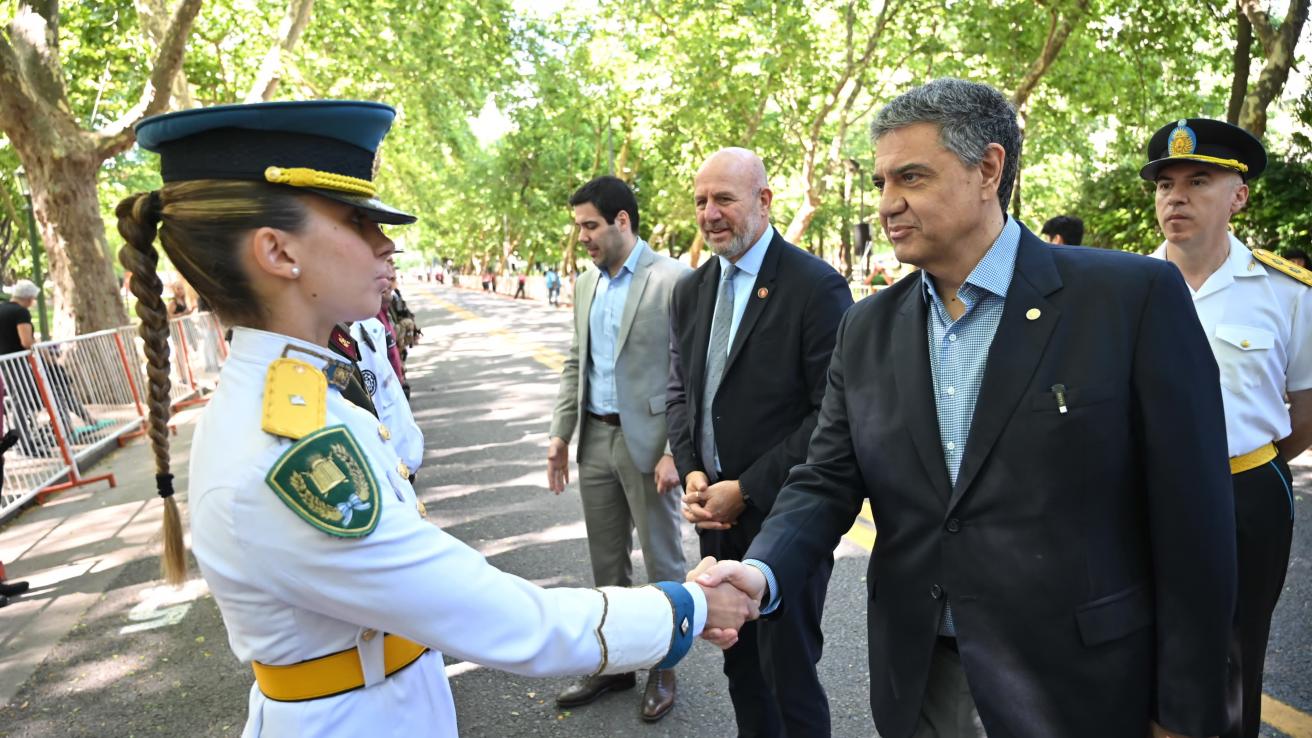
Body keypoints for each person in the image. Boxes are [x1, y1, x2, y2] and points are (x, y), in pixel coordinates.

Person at [120, 99, 755, 737]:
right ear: (278, 252)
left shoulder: (305, 396)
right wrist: (688, 605)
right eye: (356, 221)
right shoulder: (284, 450)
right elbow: (502, 617)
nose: (385, 242)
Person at [695, 79, 1237, 738]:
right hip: (920, 677)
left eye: (912, 178)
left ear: (988, 169)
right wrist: (759, 571)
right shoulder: (866, 329)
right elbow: (825, 478)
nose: (888, 204)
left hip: (1080, 688)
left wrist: (1186, 713)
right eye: (881, 183)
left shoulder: (1131, 298)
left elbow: (1194, 526)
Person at [667, 148, 853, 737]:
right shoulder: (691, 290)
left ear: (765, 201)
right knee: (741, 665)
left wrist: (745, 488)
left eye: (724, 198)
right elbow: (681, 396)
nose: (710, 213)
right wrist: (694, 472)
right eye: (701, 200)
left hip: (784, 513)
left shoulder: (816, 287)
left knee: (788, 672)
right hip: (715, 521)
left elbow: (831, 413)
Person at [1142, 117, 1312, 738]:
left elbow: (1304, 410)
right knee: (1137, 638)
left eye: (1198, 180)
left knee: (1238, 651)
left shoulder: (1287, 293)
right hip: (1142, 491)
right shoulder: (1122, 286)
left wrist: (1237, 462)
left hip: (1244, 491)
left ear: (1239, 195)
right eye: (1165, 184)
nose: (1176, 196)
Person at [546, 175, 691, 722]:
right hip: (596, 438)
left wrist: (678, 451)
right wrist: (561, 434)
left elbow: (690, 374)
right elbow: (573, 362)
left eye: (590, 225)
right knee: (606, 564)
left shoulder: (673, 279)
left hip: (652, 446)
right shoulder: (585, 284)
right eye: (578, 226)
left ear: (622, 221)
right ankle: (615, 664)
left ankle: (665, 664)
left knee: (663, 561)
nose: (581, 236)